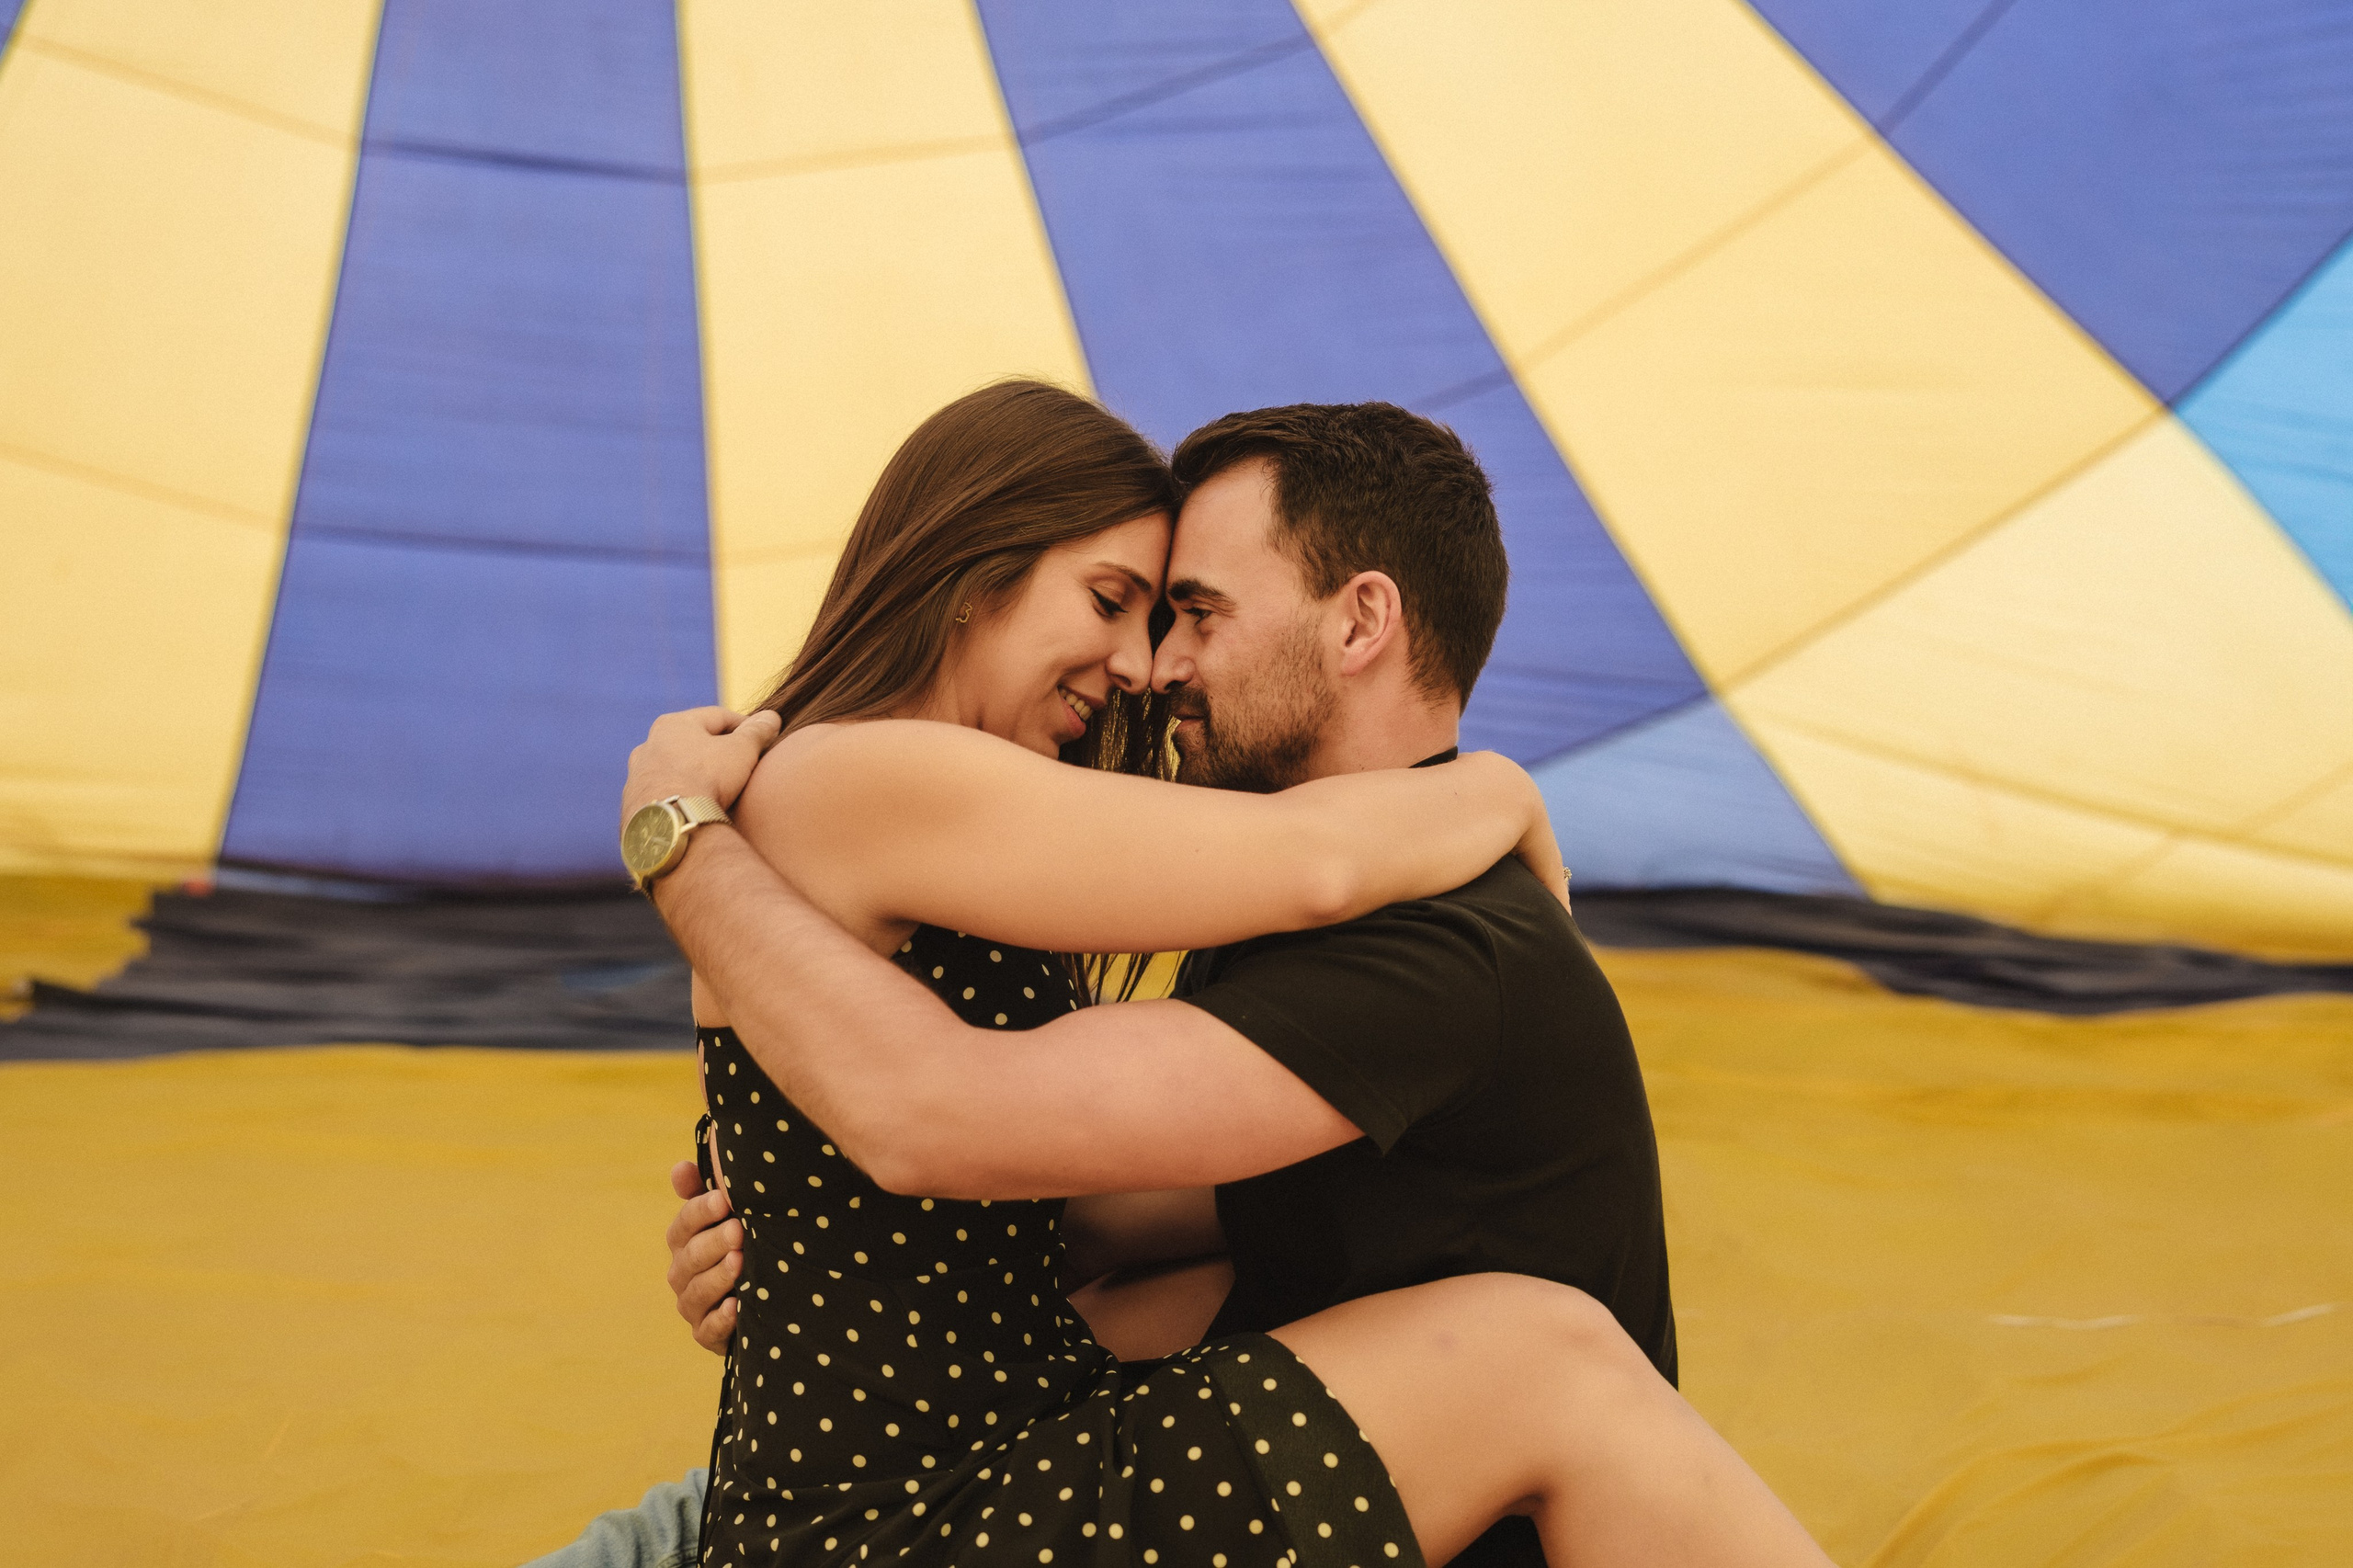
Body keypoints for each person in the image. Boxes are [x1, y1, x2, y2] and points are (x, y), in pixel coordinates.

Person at [534, 383, 1830, 1567]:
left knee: (1511, 1346)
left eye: (1181, 614)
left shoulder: (1424, 938)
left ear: (1363, 617)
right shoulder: (859, 776)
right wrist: (1501, 789)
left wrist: (808, 1245)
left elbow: (1093, 1180)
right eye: (1116, 602)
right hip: (894, 1510)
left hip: (907, 1485)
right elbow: (1298, 873)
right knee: (1536, 1354)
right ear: (976, 571)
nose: (1146, 664)